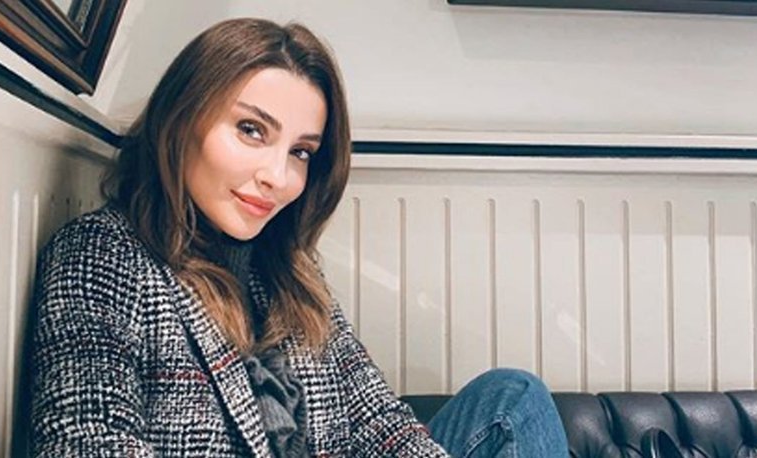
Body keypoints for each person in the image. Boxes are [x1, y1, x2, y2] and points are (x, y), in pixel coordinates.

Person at [29, 18, 569, 457]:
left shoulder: (286, 268)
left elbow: (377, 418)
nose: (278, 176)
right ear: (181, 119)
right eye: (251, 130)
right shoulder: (101, 256)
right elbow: (86, 441)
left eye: (300, 152)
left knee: (513, 397)